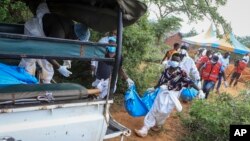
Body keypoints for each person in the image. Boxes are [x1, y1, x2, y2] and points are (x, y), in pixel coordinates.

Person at [134, 53, 204, 137]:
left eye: (177, 60)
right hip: (162, 92)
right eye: (173, 59)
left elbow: (190, 82)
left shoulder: (182, 73)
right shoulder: (166, 70)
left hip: (173, 95)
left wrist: (199, 90)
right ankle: (145, 129)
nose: (174, 61)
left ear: (179, 62)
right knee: (154, 109)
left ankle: (158, 124)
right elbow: (161, 81)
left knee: (164, 112)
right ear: (171, 60)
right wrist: (154, 88)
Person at [19, 2, 72, 84]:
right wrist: (59, 67)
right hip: (33, 31)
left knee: (47, 62)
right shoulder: (58, 34)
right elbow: (45, 52)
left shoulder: (71, 26)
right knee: (30, 58)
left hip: (43, 33)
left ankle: (47, 82)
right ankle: (22, 80)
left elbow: (68, 44)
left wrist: (67, 59)